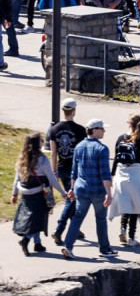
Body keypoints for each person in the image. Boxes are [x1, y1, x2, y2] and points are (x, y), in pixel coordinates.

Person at [62, 118, 116, 259]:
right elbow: (105, 174)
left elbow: (74, 171)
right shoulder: (102, 149)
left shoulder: (79, 146)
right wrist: (108, 194)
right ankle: (104, 249)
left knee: (77, 218)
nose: (104, 131)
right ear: (95, 130)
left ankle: (68, 246)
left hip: (82, 190)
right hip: (97, 191)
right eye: (102, 128)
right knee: (100, 219)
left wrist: (72, 188)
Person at [108, 114, 140, 247]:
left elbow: (116, 159)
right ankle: (131, 238)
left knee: (125, 203)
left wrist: (112, 176)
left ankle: (122, 229)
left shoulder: (120, 138)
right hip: (135, 175)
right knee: (136, 206)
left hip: (121, 174)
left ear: (129, 124)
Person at [11, 131, 59, 255]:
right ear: (38, 144)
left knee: (31, 218)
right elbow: (52, 178)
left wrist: (14, 194)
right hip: (38, 193)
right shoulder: (43, 159)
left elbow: (17, 178)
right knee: (37, 219)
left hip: (25, 194)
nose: (43, 142)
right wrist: (63, 192)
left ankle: (37, 244)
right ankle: (26, 240)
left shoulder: (22, 158)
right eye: (41, 140)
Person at [48, 98, 86, 245]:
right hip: (75, 170)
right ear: (74, 111)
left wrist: (54, 171)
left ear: (62, 110)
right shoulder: (80, 130)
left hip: (62, 167)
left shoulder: (54, 129)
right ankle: (59, 229)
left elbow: (53, 152)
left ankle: (75, 229)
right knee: (72, 199)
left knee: (72, 198)